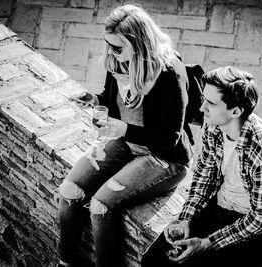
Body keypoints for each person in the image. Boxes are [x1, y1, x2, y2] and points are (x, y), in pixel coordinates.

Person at [56, 4, 194, 267]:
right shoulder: (117, 61)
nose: (111, 53)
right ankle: (65, 261)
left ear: (138, 43)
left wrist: (125, 130)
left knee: (101, 207)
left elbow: (170, 137)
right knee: (69, 191)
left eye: (117, 47)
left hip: (164, 159)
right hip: (127, 144)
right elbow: (111, 99)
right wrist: (94, 98)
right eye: (108, 45)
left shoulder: (170, 73)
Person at [142, 66, 262, 267]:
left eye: (210, 103)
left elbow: (260, 220)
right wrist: (185, 219)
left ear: (235, 111)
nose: (201, 109)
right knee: (152, 261)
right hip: (219, 208)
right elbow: (204, 178)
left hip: (260, 234)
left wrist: (206, 243)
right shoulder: (213, 125)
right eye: (203, 99)